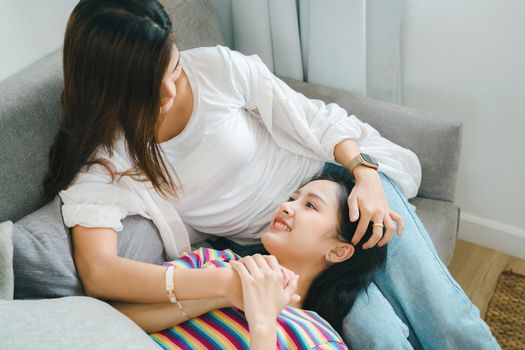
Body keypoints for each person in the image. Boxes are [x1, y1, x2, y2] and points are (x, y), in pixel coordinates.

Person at [44, 0, 499, 348]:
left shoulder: (215, 70)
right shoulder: (107, 161)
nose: (169, 89)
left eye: (174, 67)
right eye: (149, 85)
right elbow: (100, 273)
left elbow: (313, 119)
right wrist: (223, 283)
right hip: (282, 250)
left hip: (333, 188)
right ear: (111, 87)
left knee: (443, 318)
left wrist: (364, 173)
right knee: (377, 334)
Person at [112, 168, 388, 349]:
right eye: (292, 198)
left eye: (310, 206)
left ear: (339, 251)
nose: (286, 206)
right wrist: (222, 292)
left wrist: (262, 322)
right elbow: (116, 314)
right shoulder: (213, 261)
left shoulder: (318, 339)